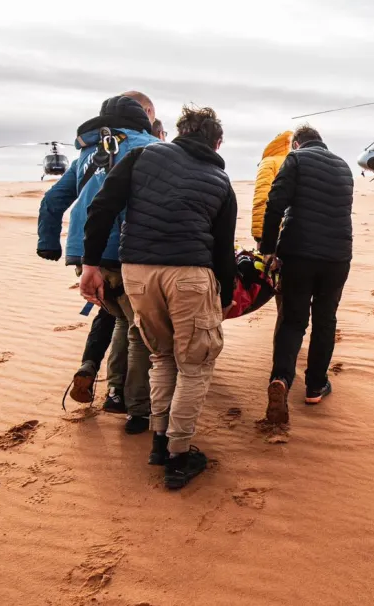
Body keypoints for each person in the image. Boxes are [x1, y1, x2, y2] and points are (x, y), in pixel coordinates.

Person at [79, 105, 237, 490]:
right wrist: (227, 296)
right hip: (189, 274)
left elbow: (103, 208)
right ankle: (179, 458)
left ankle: (160, 440)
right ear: (217, 141)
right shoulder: (219, 178)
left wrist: (90, 264)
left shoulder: (141, 155)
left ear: (181, 132)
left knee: (162, 356)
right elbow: (223, 249)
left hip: (137, 272)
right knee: (195, 364)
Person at [37, 92, 161, 432]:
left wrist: (49, 243)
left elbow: (52, 200)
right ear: (143, 116)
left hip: (86, 255)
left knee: (119, 320)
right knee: (139, 330)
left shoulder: (85, 154)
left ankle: (111, 390)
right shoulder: (150, 148)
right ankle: (138, 409)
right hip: (129, 251)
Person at [259, 123, 354, 424]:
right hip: (337, 258)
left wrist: (268, 248)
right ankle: (315, 386)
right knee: (325, 320)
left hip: (299, 254)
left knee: (293, 321)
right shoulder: (344, 166)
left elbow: (275, 204)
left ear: (297, 144)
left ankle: (282, 380)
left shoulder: (296, 159)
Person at [252, 130, 293, 246]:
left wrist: (261, 236)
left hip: (272, 231)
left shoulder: (269, 162)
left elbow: (262, 197)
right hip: (296, 233)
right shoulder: (295, 162)